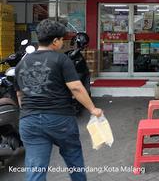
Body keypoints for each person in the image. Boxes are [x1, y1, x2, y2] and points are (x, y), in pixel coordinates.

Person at [14, 19, 103, 181]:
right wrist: (93, 109)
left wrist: (28, 112)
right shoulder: (61, 59)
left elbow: (20, 95)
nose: (63, 43)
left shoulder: (22, 63)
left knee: (36, 169)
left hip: (29, 121)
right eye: (62, 40)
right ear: (55, 41)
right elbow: (76, 87)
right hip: (59, 119)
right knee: (74, 159)